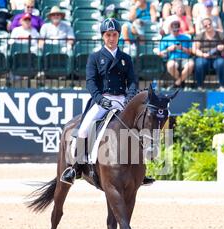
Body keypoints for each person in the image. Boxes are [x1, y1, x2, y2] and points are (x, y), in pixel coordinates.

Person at [60, 18, 153, 186]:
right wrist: (101, 100)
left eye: (115, 35)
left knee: (139, 128)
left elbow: (132, 82)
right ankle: (76, 167)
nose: (111, 38)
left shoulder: (126, 58)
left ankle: (141, 170)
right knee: (83, 130)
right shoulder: (95, 57)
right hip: (102, 100)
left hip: (123, 100)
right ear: (103, 36)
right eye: (108, 35)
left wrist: (129, 99)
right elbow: (91, 82)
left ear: (119, 36)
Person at [194, 17, 224, 91]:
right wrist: (202, 54)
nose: (208, 26)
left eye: (209, 24)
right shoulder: (200, 35)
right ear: (203, 27)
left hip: (217, 57)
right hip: (204, 57)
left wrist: (223, 47)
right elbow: (195, 49)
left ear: (212, 24)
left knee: (221, 63)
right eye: (205, 25)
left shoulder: (220, 34)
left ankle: (223, 86)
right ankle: (199, 86)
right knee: (199, 63)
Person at [159, 17, 194, 88]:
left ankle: (177, 83)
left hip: (185, 58)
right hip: (172, 59)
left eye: (177, 30)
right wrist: (169, 49)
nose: (175, 32)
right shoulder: (165, 39)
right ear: (170, 29)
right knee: (171, 66)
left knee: (190, 65)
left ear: (179, 29)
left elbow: (191, 52)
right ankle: (181, 82)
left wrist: (182, 48)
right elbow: (160, 53)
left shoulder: (186, 38)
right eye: (174, 31)